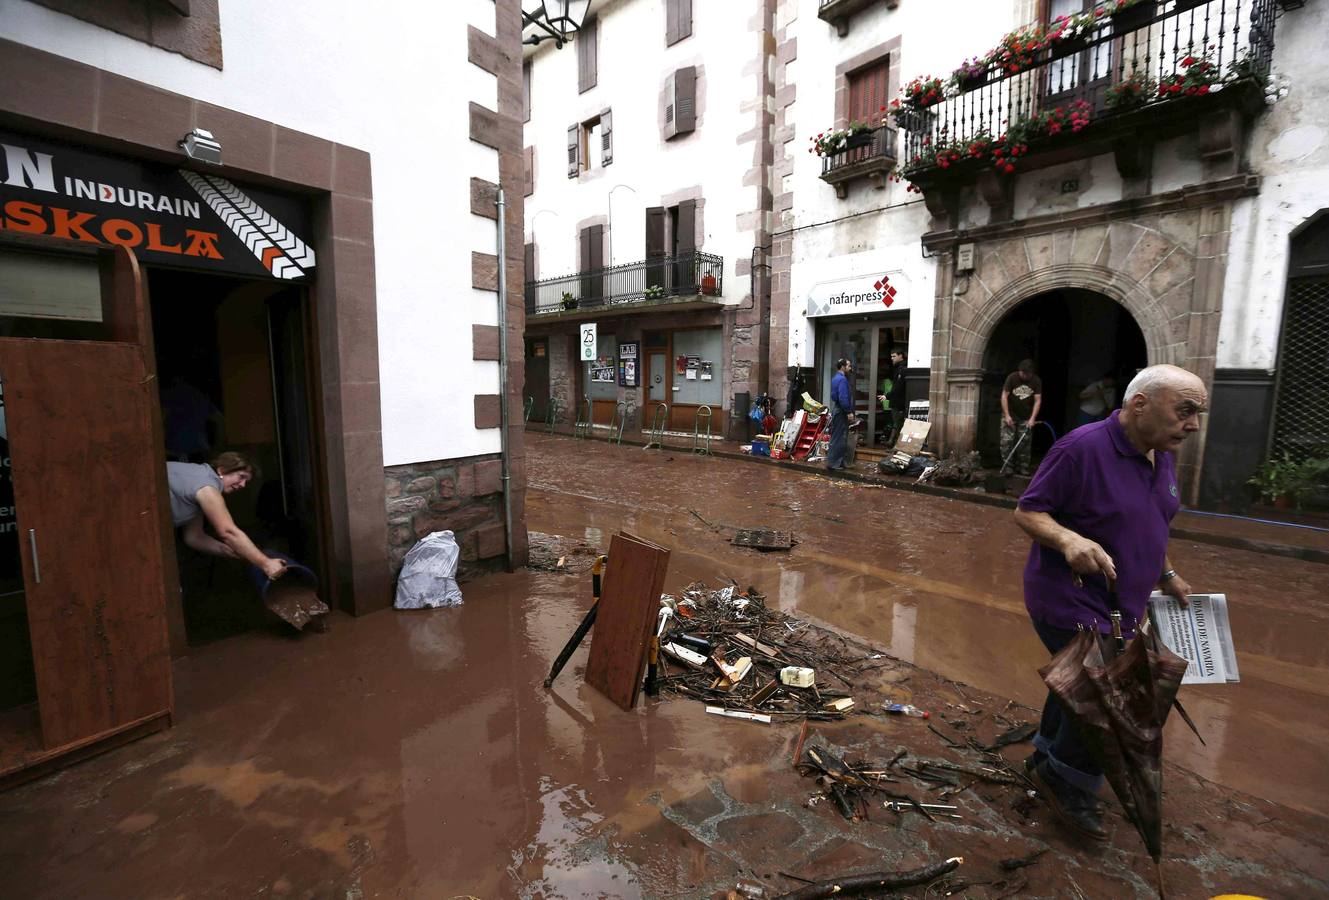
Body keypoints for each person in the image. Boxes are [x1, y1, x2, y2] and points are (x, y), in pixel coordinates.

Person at [1012, 364, 1205, 840]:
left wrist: (1167, 574)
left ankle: (1046, 754)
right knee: (1108, 696)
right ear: (1140, 404)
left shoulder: (1162, 454)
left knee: (1079, 680)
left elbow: (1150, 521)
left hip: (1124, 604)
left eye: (1198, 413)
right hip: (1070, 597)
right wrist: (1068, 540)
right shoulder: (1080, 448)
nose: (1193, 424)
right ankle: (1066, 781)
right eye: (1184, 411)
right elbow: (1029, 510)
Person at [168, 451, 287, 580]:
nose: (242, 485)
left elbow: (194, 537)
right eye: (241, 476)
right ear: (222, 470)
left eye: (246, 482)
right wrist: (266, 564)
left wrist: (238, 551)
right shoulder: (206, 486)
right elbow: (228, 532)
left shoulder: (202, 486)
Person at [1001, 359, 1042, 476]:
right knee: (1007, 441)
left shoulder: (1036, 381)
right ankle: (1008, 467)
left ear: (1031, 373)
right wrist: (1007, 415)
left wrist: (1032, 418)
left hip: (1026, 416)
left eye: (1027, 374)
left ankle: (1023, 467)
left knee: (1024, 442)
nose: (1024, 376)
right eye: (1022, 373)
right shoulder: (1012, 378)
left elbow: (1038, 400)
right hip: (1010, 414)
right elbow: (1004, 396)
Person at [826, 358, 856, 471]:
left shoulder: (835, 378)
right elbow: (843, 397)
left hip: (837, 409)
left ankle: (838, 462)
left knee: (838, 436)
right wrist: (848, 412)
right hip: (841, 411)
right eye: (848, 366)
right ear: (843, 367)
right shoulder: (842, 380)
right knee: (839, 437)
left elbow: (834, 396)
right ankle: (834, 463)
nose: (850, 368)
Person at [876, 349, 908, 447]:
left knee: (897, 423)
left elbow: (898, 387)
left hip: (898, 401)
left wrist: (887, 396)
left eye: (894, 356)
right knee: (896, 423)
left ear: (900, 356)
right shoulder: (898, 368)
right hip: (897, 401)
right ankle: (893, 443)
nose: (892, 358)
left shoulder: (902, 369)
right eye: (891, 356)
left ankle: (893, 443)